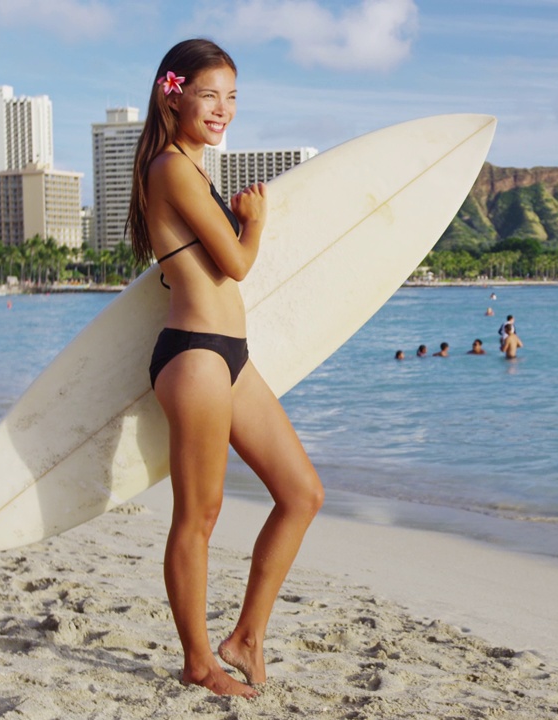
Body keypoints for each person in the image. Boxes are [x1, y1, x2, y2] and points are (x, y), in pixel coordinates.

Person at [126, 39, 323, 698]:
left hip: (229, 358)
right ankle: (197, 661)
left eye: (232, 96)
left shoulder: (191, 169)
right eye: (210, 94)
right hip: (194, 356)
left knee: (302, 493)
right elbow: (235, 264)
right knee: (199, 518)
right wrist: (255, 223)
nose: (223, 108)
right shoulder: (170, 169)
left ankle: (246, 636)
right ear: (172, 93)